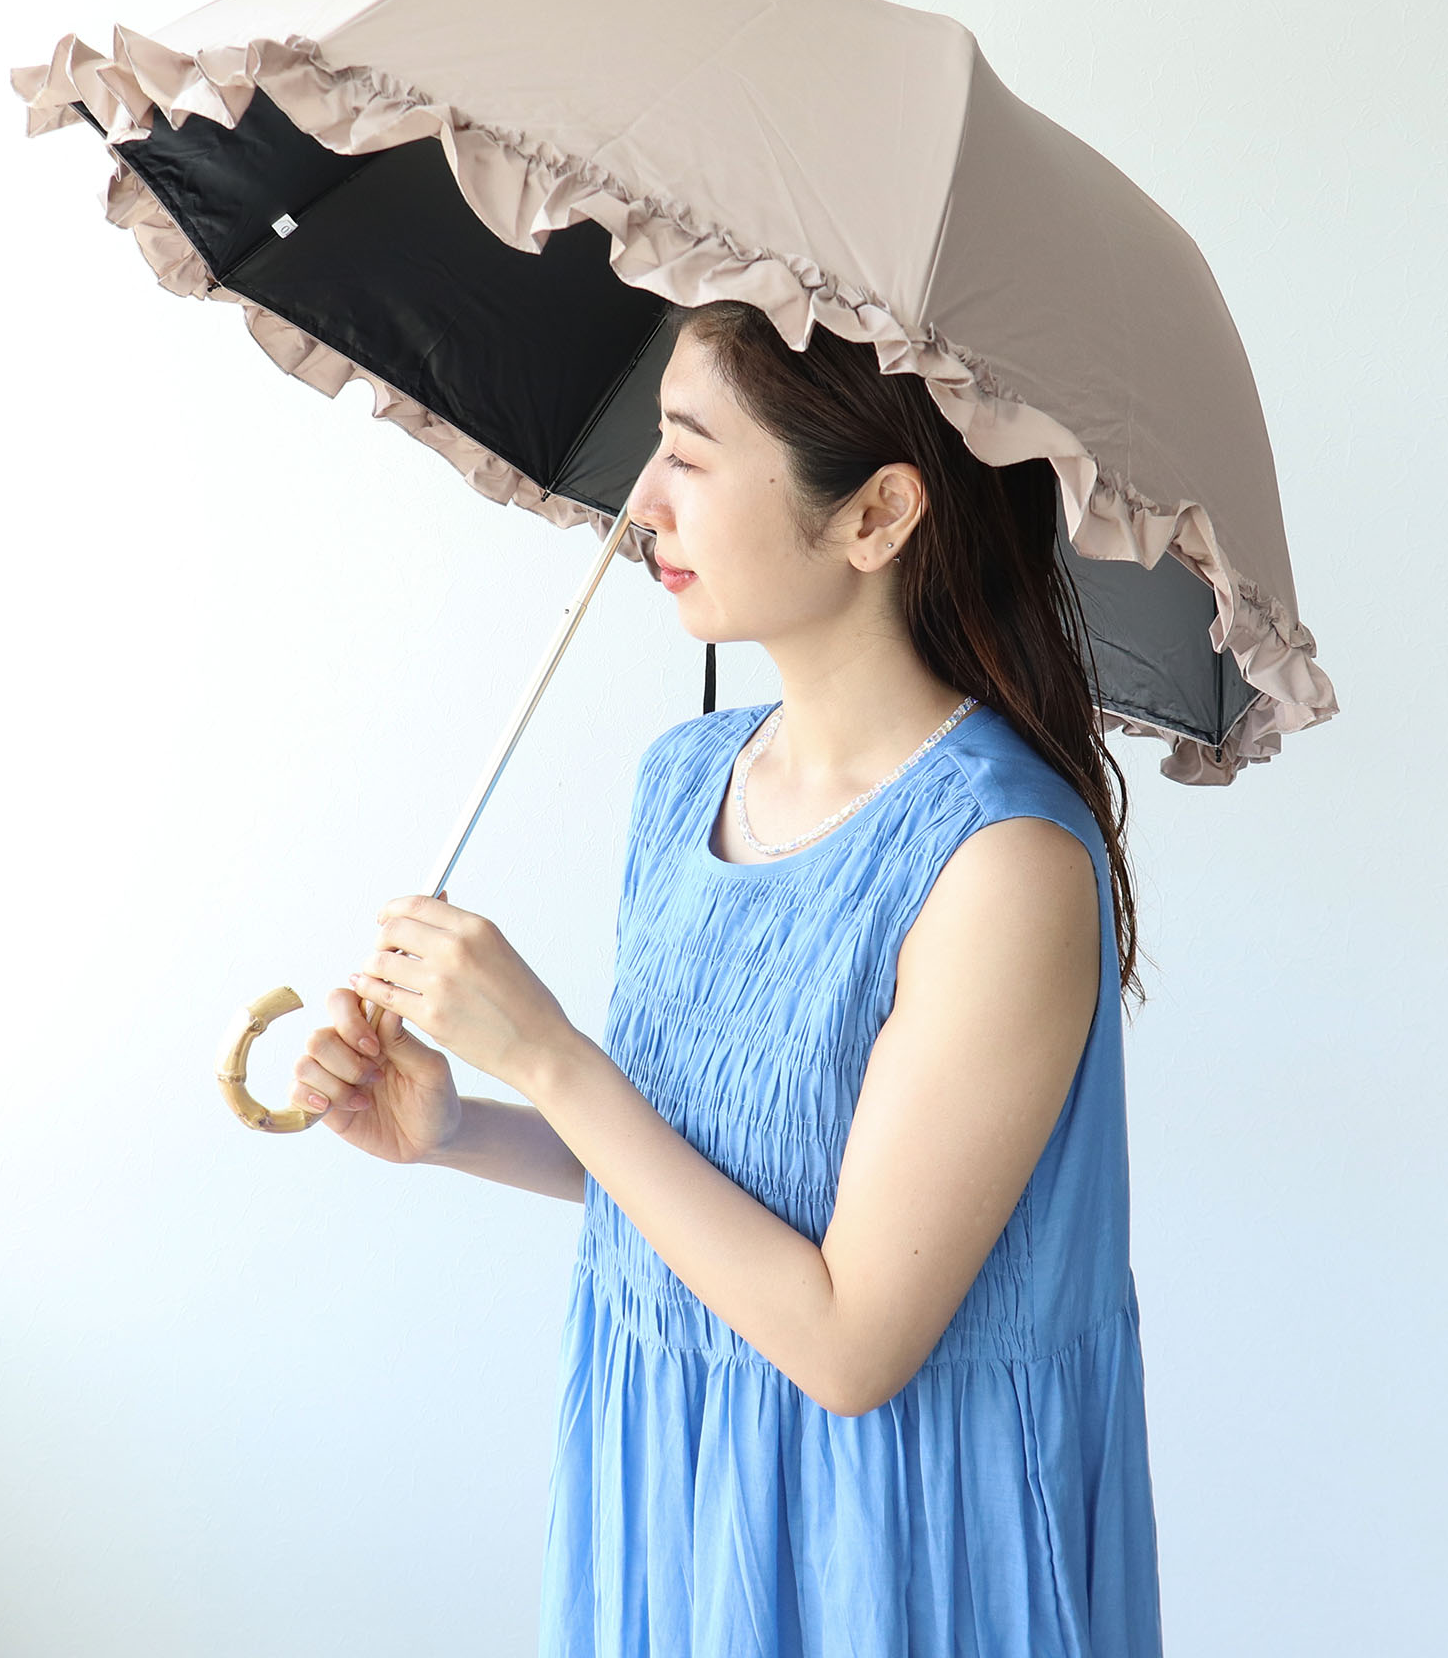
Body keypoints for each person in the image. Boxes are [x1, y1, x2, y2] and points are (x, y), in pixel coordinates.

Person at [291, 298, 1165, 1656]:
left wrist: (547, 1054)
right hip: (670, 1485)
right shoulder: (685, 778)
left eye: (690, 455)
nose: (642, 501)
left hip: (887, 1540)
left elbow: (850, 1345)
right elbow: (712, 1175)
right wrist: (457, 1128)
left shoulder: (1004, 865)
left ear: (877, 514)